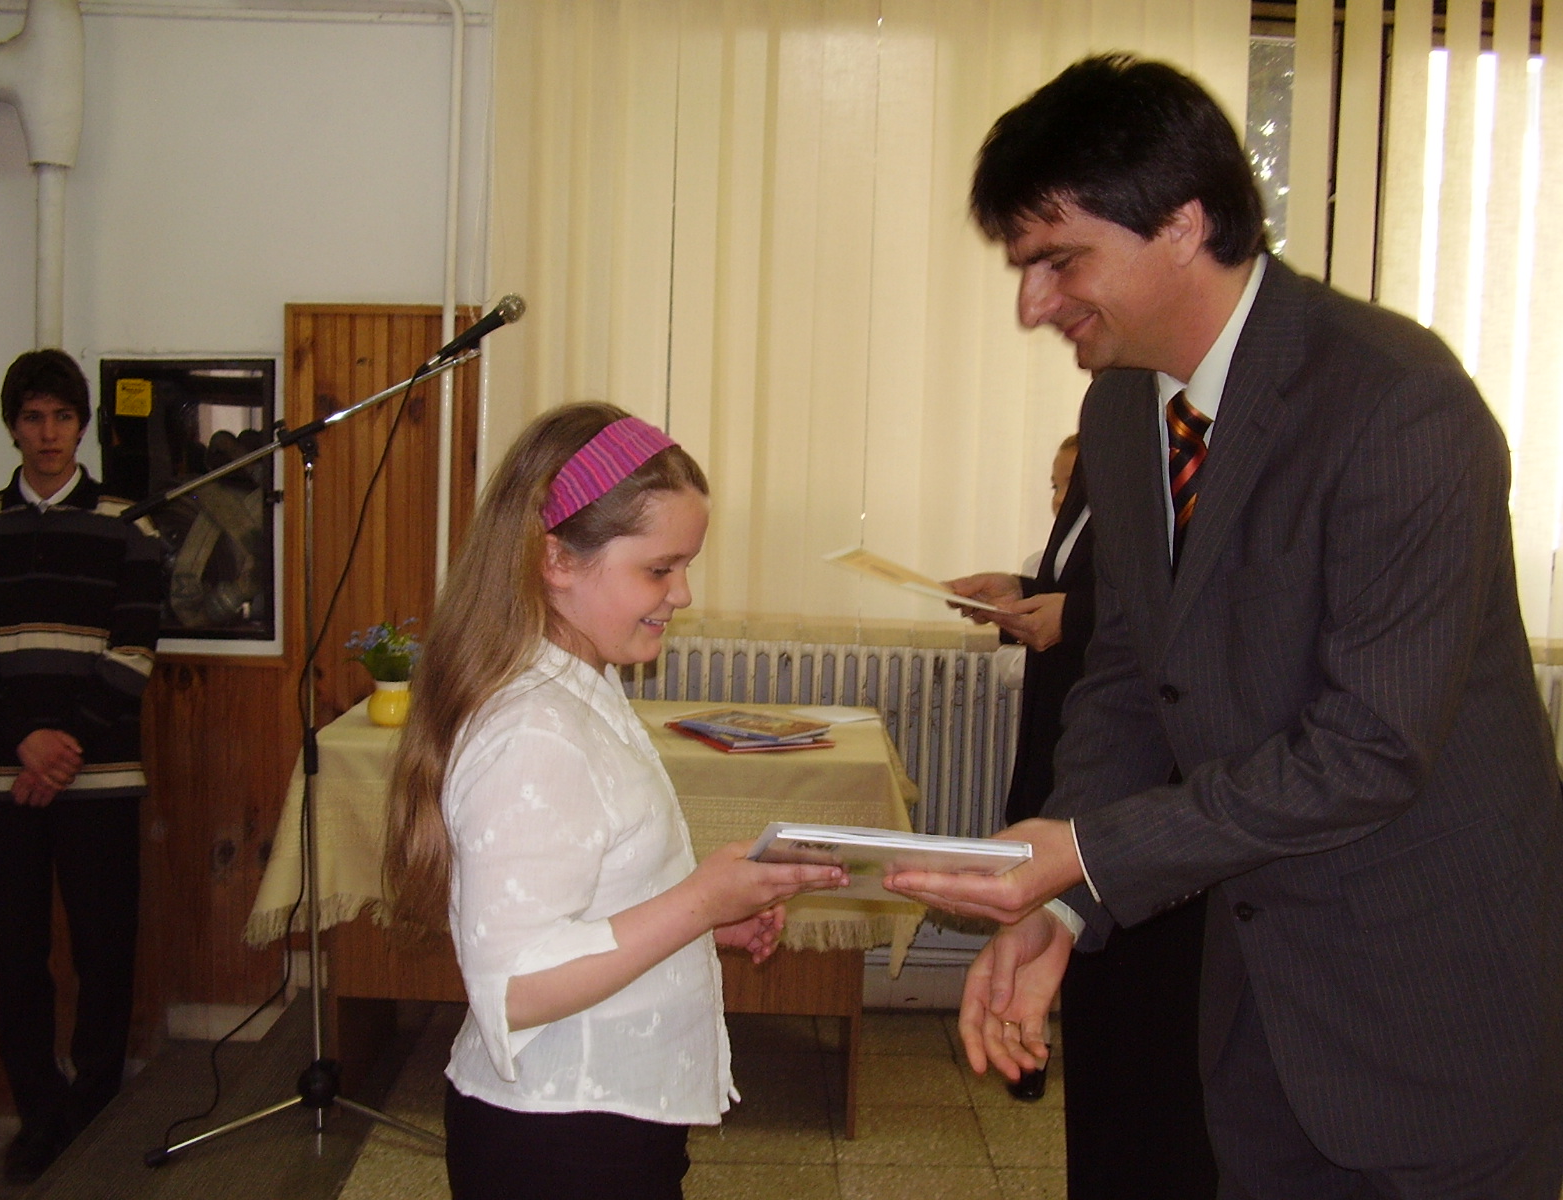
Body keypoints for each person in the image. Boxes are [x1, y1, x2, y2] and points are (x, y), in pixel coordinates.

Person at [893, 54, 1563, 1199]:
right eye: (1022, 267)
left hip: (1432, 1001)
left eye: (1059, 261)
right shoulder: (1123, 406)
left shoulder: (1396, 403)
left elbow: (1370, 749)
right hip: (1259, 999)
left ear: (1182, 223)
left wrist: (1089, 853)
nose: (1032, 305)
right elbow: (1126, 677)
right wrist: (1063, 901)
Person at [384, 402, 847, 1200]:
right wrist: (699, 901)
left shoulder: (579, 686)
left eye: (686, 566)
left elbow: (586, 903)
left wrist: (703, 920)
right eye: (659, 569)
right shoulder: (533, 729)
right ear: (557, 560)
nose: (683, 593)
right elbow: (516, 987)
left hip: (601, 1121)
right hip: (560, 1138)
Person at [950, 435, 1216, 1196]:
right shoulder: (1118, 429)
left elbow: (1180, 623)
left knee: (1160, 1068)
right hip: (1081, 777)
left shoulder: (1205, 443)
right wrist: (1024, 592)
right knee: (1104, 1060)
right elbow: (1116, 633)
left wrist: (1077, 616)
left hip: (1165, 818)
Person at [0, 348, 164, 1183]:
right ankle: (40, 1115)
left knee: (104, 950)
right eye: (33, 418)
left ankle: (95, 1109)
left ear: (83, 426)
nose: (48, 433)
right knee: (17, 956)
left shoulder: (130, 525)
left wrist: (61, 750)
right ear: (13, 427)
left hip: (100, 778)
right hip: (1, 779)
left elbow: (134, 652)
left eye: (62, 417)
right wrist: (25, 743)